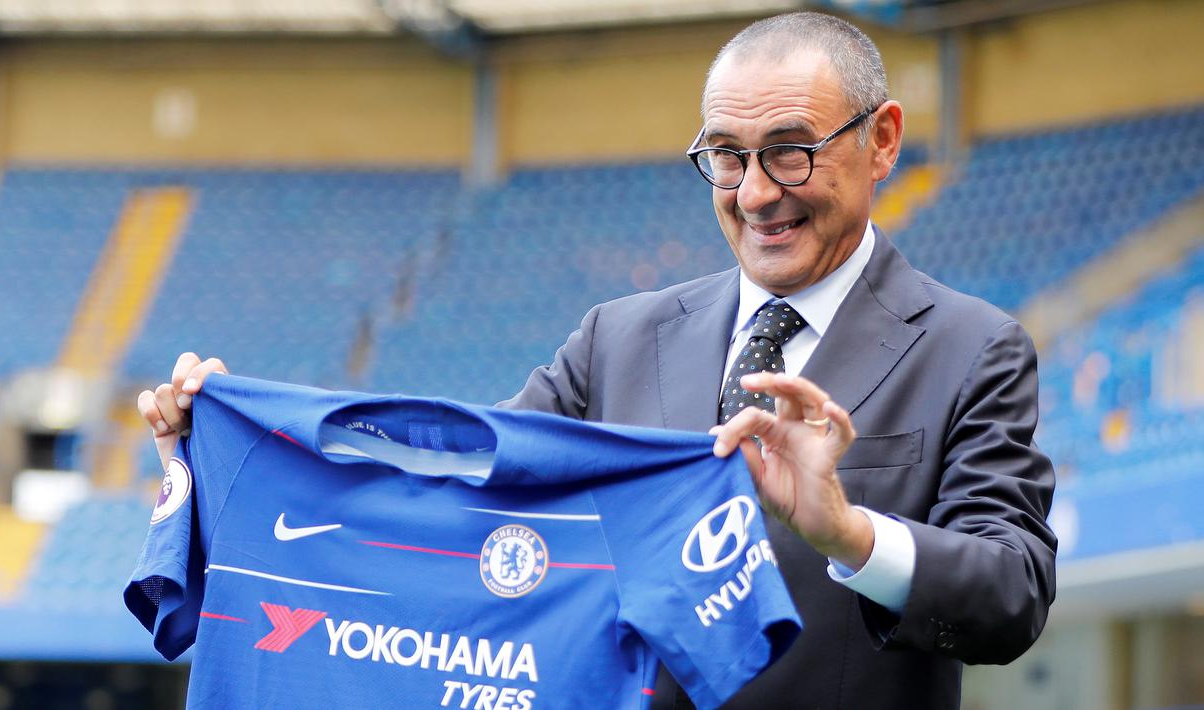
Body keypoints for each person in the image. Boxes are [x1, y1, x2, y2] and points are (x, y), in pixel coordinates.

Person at [137, 11, 1055, 710]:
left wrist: (846, 532)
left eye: (789, 153)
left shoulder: (972, 349)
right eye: (727, 158)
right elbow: (455, 498)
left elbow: (1010, 593)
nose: (756, 193)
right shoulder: (616, 339)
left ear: (881, 139)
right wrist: (236, 451)